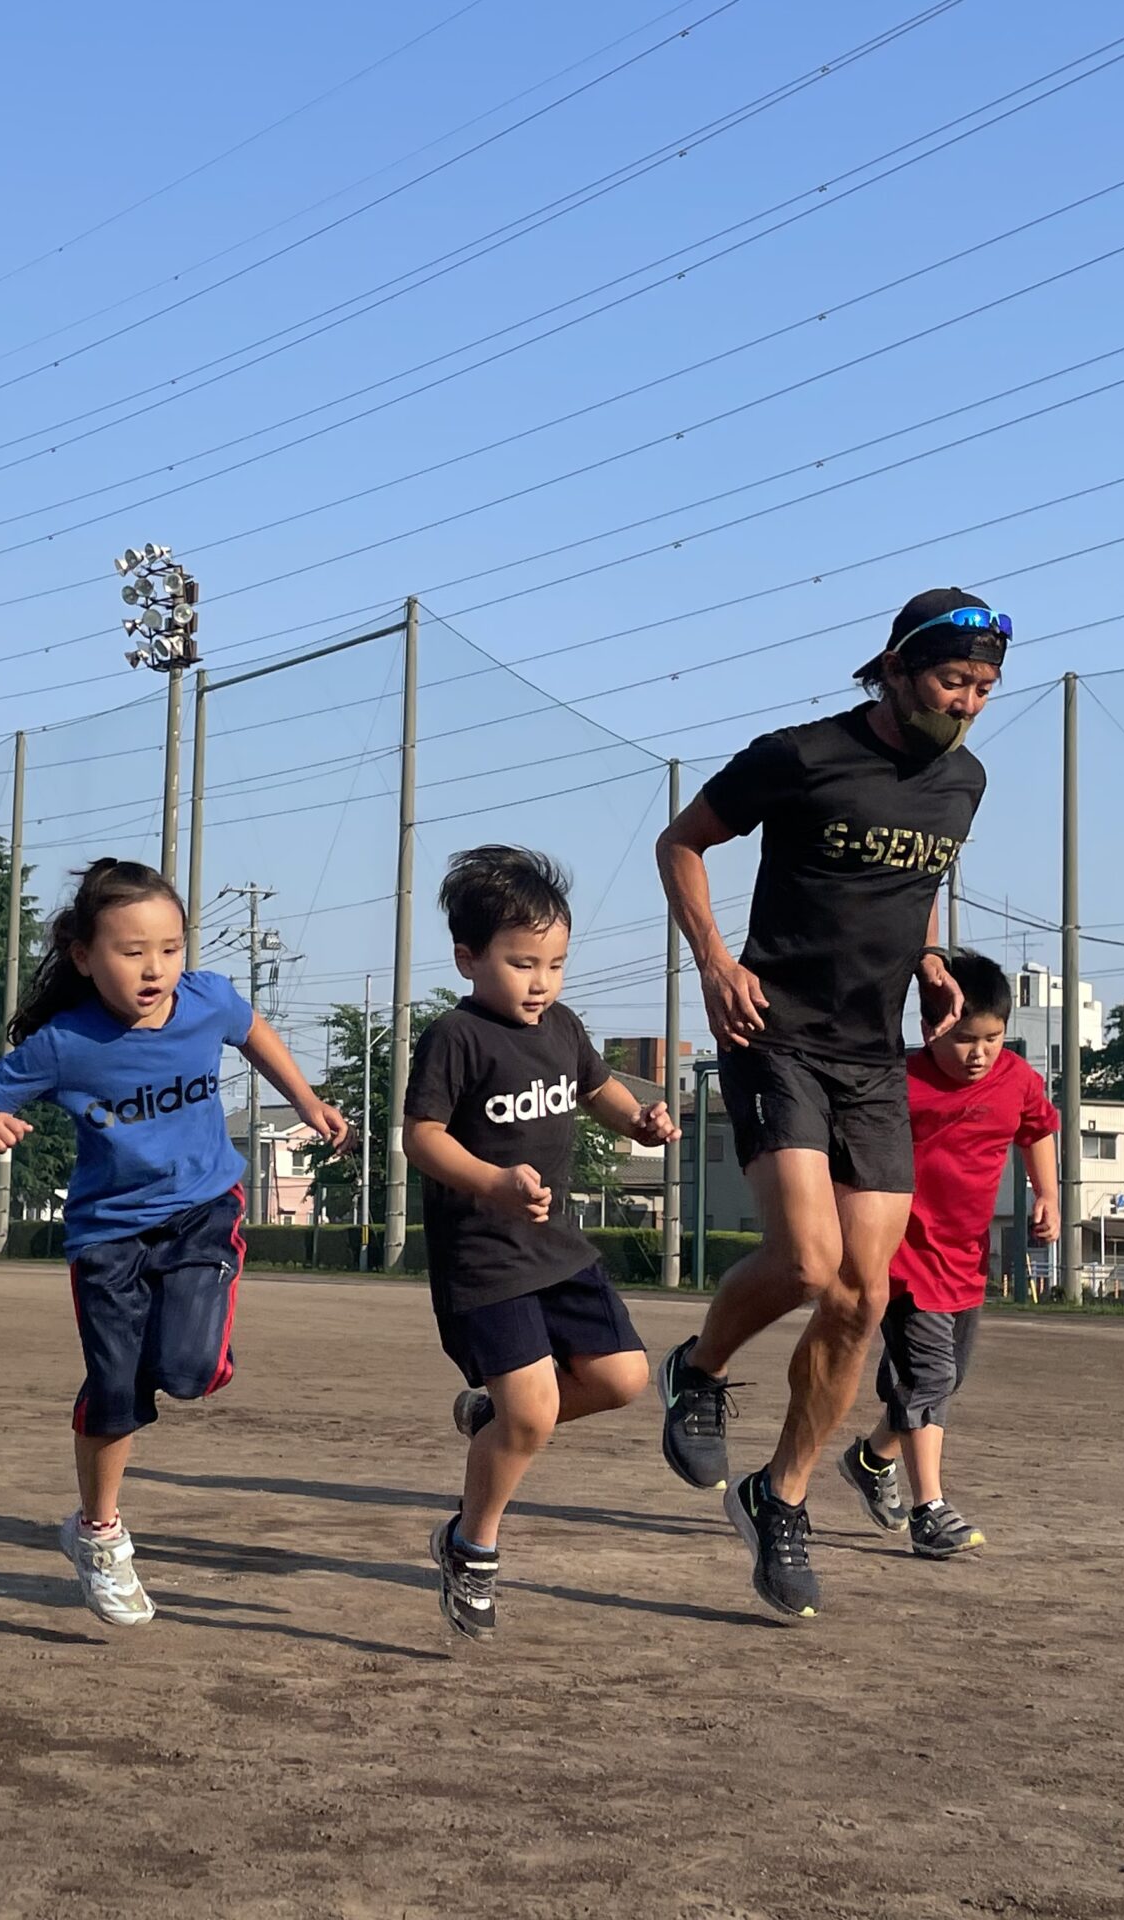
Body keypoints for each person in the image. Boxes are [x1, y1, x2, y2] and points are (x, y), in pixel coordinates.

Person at [652, 586, 1007, 1618]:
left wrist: (931, 954)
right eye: (952, 680)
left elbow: (917, 874)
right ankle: (700, 1367)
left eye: (984, 687)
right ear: (894, 669)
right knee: (807, 1263)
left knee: (863, 1295)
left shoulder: (963, 782)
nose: (968, 703)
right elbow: (682, 842)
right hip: (774, 1033)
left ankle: (782, 1496)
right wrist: (714, 962)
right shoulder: (798, 756)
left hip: (872, 1057)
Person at [0, 859, 346, 1629]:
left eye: (170, 947)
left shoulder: (206, 1000)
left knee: (192, 1372)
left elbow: (251, 1030)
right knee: (117, 1389)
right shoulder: (66, 1043)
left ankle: (155, 1391)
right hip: (107, 1237)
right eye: (132, 951)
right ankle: (97, 1534)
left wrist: (307, 1099)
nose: (155, 967)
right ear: (84, 956)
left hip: (202, 1212)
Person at [404, 847, 679, 1641]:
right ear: (468, 957)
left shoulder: (562, 1027)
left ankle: (495, 1415)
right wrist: (488, 1182)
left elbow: (596, 1089)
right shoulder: (456, 1036)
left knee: (625, 1378)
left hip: (560, 1253)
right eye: (522, 963)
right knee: (531, 1417)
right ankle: (470, 1545)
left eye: (555, 964)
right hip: (486, 1263)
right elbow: (421, 1137)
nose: (541, 982)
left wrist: (639, 1120)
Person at [832, 950, 1056, 1559]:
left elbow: (1037, 1129)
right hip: (905, 1258)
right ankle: (930, 1510)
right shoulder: (898, 1082)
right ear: (933, 1025)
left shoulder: (1017, 1079)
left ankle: (871, 1459)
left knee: (941, 1380)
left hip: (966, 1260)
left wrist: (1048, 1196)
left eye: (992, 1037)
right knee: (929, 1377)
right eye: (963, 1038)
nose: (979, 1052)